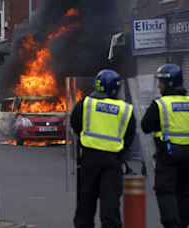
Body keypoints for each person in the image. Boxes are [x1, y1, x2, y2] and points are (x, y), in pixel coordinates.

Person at [71, 70, 136, 228]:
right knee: (110, 204)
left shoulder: (86, 103)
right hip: (112, 161)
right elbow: (129, 135)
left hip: (89, 159)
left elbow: (76, 124)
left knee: (85, 203)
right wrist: (120, 152)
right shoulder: (124, 108)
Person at [141, 64, 189, 228]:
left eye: (161, 81)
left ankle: (173, 225)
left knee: (166, 191)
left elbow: (146, 126)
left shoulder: (160, 104)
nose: (159, 85)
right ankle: (183, 224)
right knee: (184, 191)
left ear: (169, 83)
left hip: (168, 154)